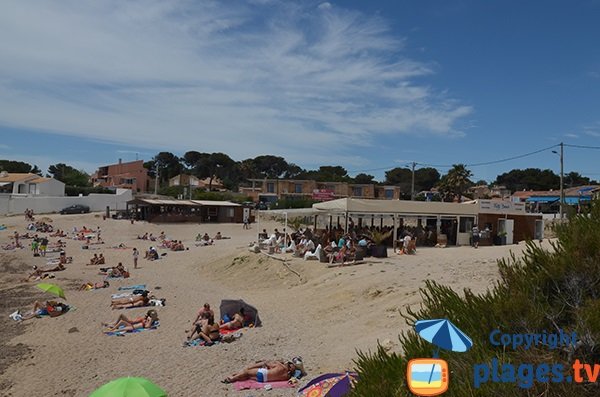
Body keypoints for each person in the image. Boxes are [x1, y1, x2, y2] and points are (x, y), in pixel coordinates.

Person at [222, 359, 297, 384]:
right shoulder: (287, 376)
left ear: (288, 365)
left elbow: (267, 363)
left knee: (247, 372)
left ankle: (232, 378)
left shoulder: (280, 366)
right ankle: (236, 374)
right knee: (247, 375)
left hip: (262, 374)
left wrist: (278, 361)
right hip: (263, 380)